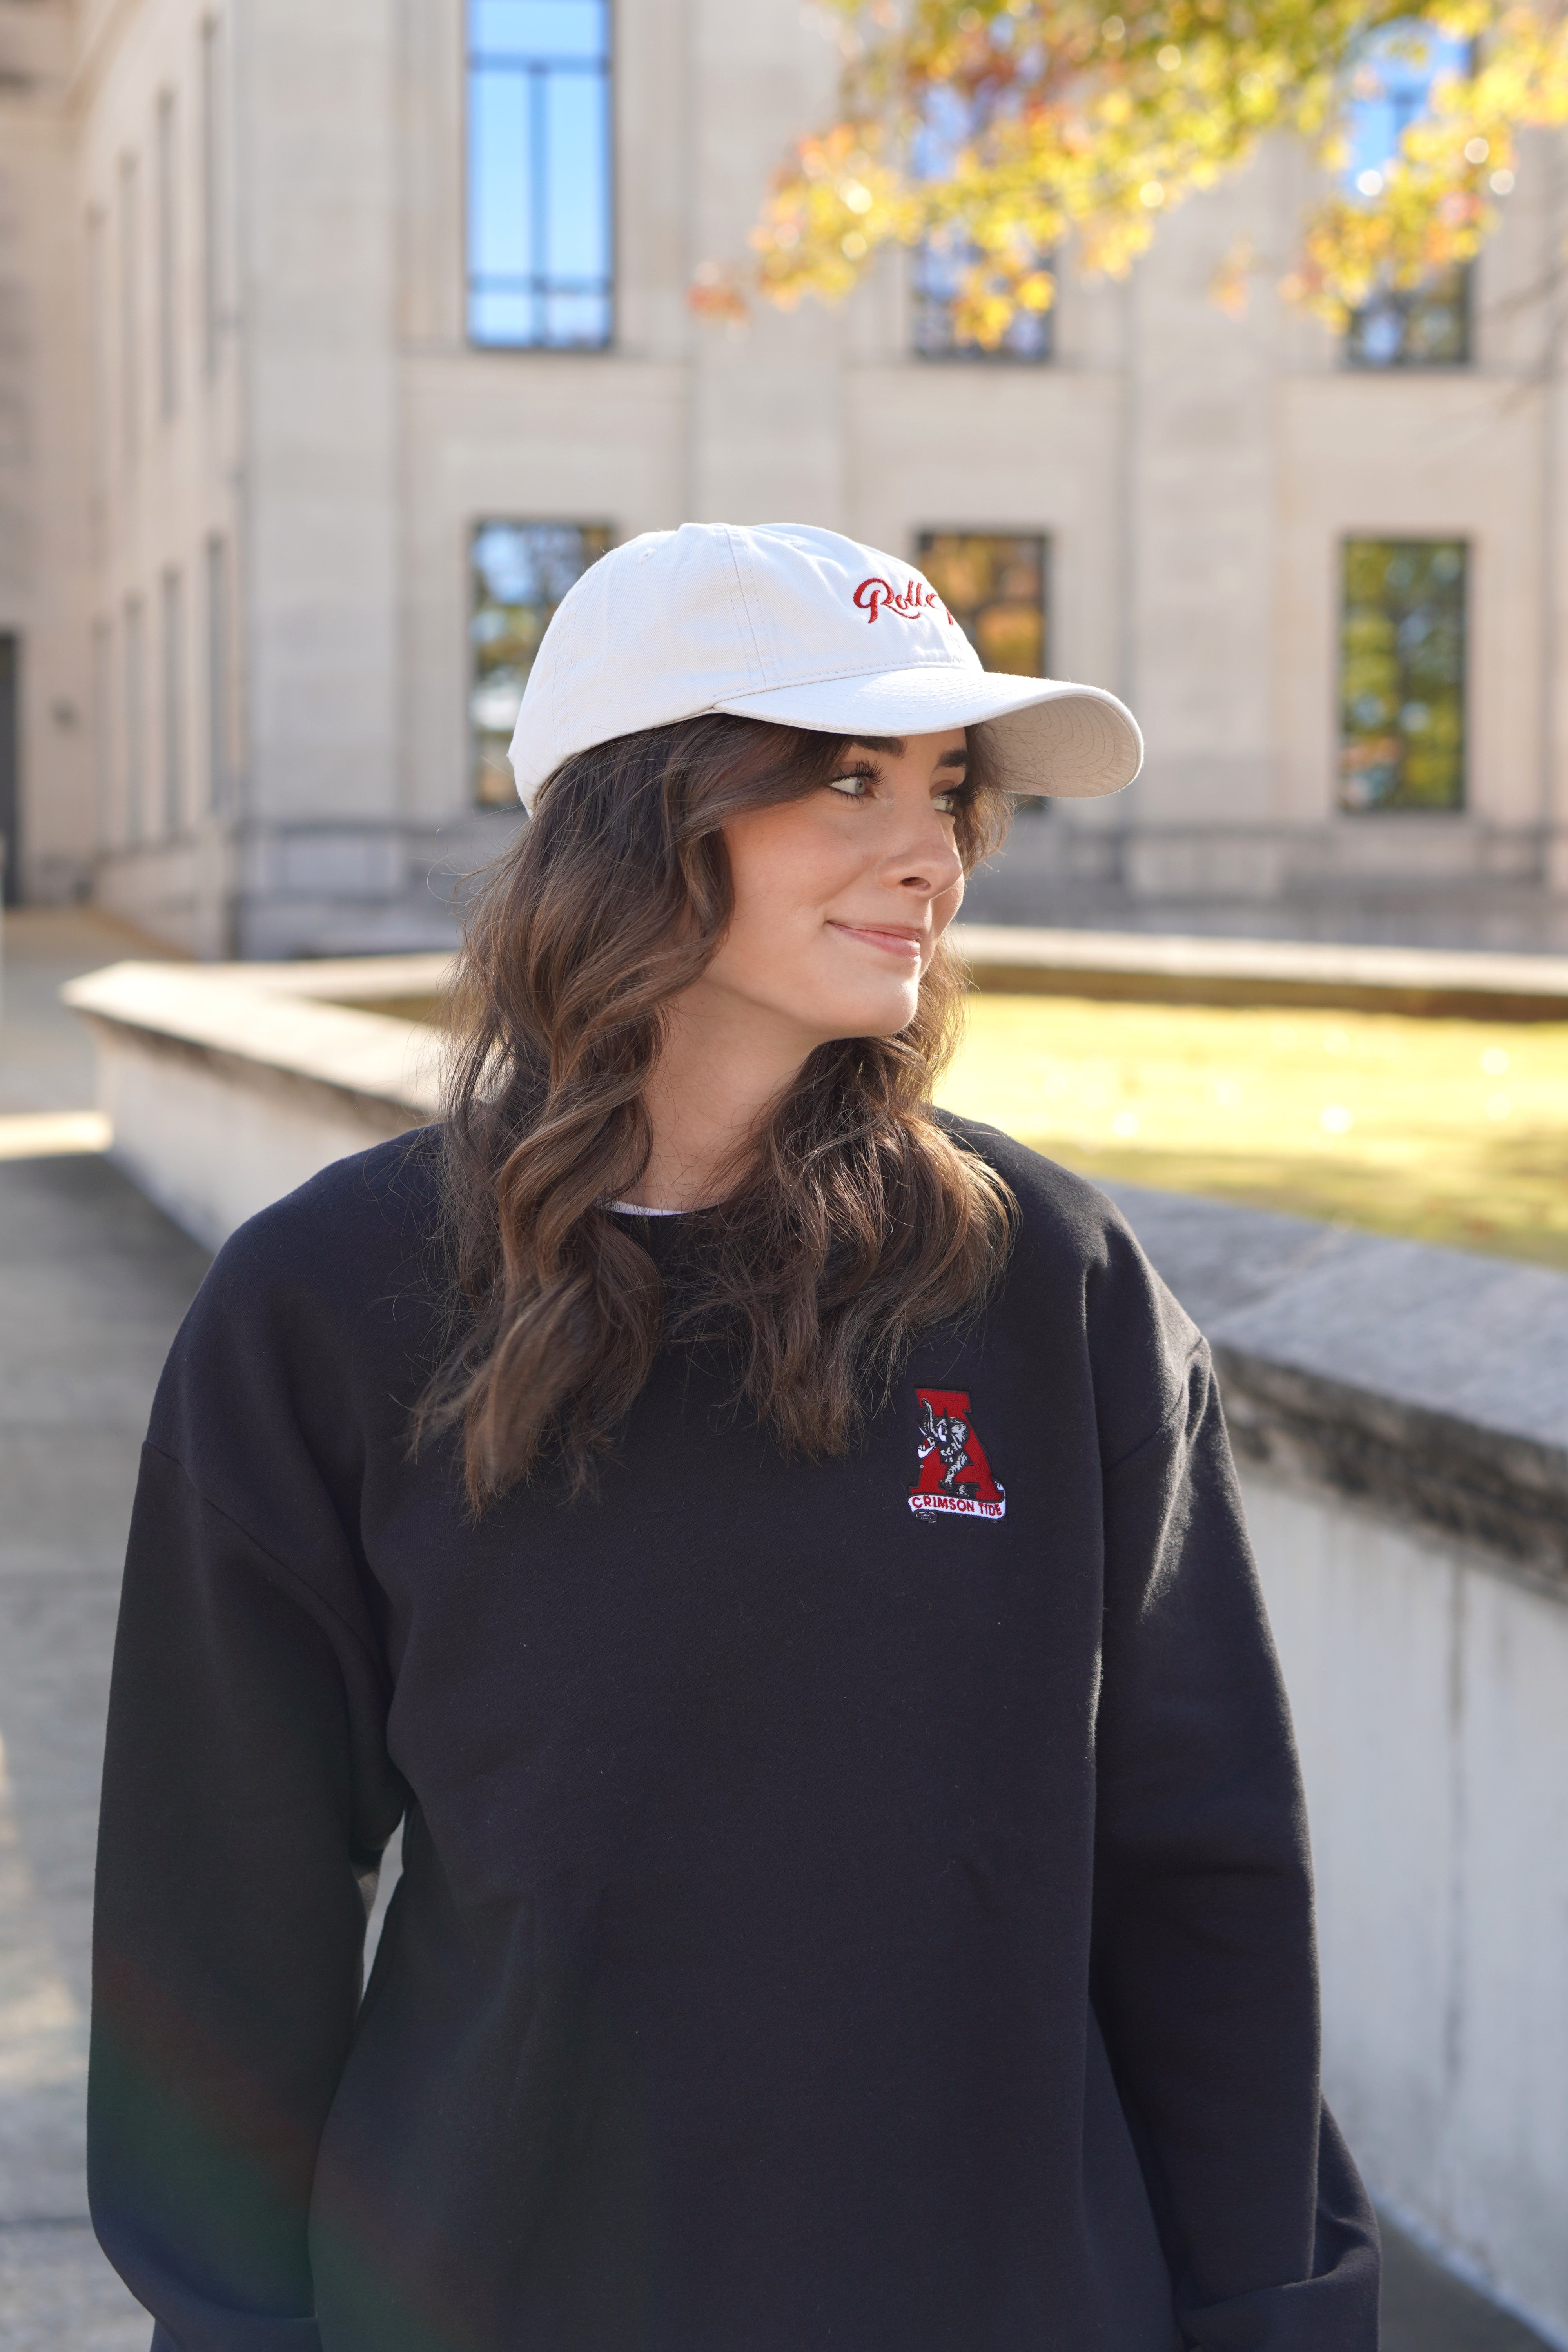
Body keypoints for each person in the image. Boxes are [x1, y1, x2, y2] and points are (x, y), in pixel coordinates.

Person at [89, 523, 1379, 2352]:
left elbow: (1204, 1869)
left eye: (947, 787)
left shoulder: (1053, 1288)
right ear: (640, 818)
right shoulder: (330, 1308)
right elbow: (219, 1927)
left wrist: (1279, 2315)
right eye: (845, 777)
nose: (927, 850)